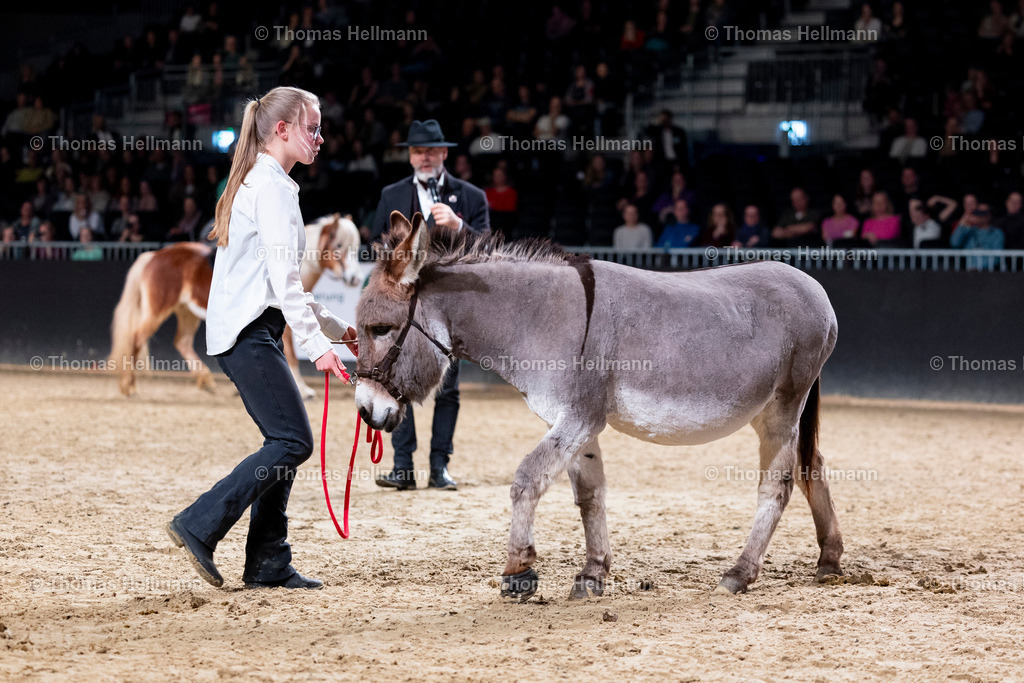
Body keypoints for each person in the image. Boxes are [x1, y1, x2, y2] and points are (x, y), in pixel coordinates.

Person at [167, 86, 357, 591]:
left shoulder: (271, 183)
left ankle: (268, 561)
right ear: (282, 130)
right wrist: (321, 349)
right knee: (293, 440)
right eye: (312, 127)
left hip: (255, 330)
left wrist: (341, 332)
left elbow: (285, 285)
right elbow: (286, 284)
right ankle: (200, 524)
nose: (320, 137)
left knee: (284, 441)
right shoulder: (270, 187)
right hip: (249, 334)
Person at [370, 119, 490, 491]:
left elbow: (487, 252)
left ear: (444, 153)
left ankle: (440, 466)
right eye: (418, 151)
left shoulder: (470, 196)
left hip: (450, 305)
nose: (424, 157)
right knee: (396, 381)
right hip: (404, 304)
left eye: (431, 151)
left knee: (449, 389)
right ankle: (402, 466)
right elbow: (376, 243)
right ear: (410, 154)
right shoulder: (391, 194)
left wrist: (459, 225)